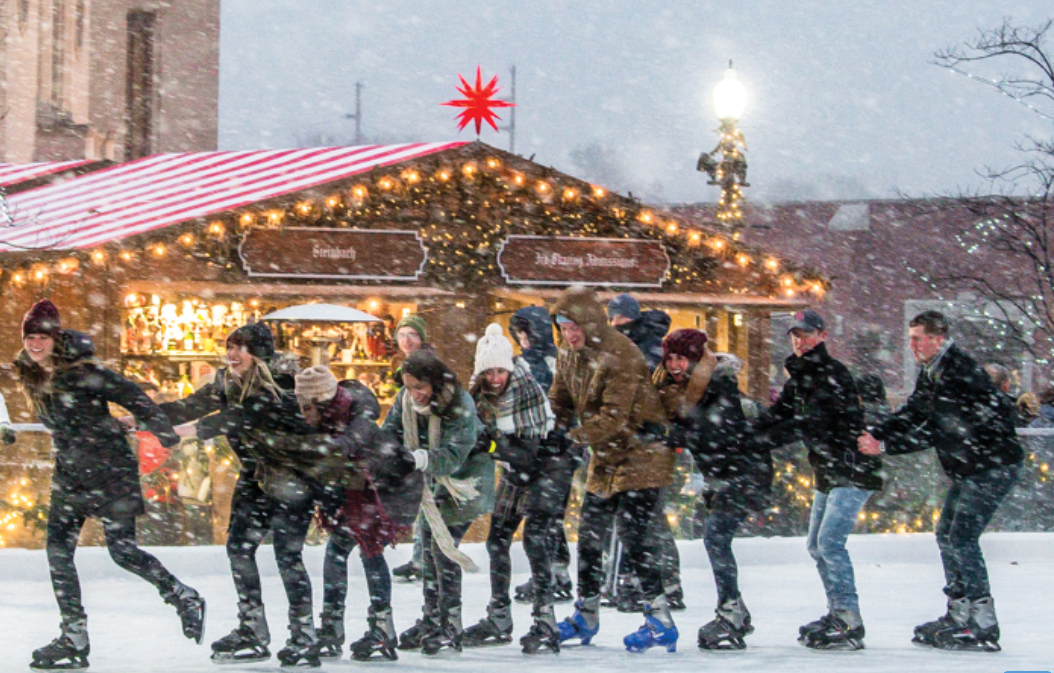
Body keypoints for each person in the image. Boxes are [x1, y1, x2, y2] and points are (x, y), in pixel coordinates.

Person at [14, 299, 204, 671]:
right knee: (57, 554)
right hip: (70, 478)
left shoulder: (82, 372)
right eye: (30, 337)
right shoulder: (31, 373)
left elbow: (132, 394)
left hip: (109, 473)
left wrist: (163, 432)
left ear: (55, 339)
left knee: (123, 551)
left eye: (42, 337)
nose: (35, 344)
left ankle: (183, 596)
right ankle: (74, 636)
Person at [157, 322, 320, 666]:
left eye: (240, 348)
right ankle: (252, 629)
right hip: (255, 477)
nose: (231, 354)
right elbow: (188, 406)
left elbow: (244, 416)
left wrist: (192, 431)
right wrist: (139, 416)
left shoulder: (285, 385)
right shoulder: (226, 383)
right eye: (229, 347)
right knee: (239, 548)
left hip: (294, 479)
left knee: (288, 556)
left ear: (258, 354)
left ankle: (304, 635)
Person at [859, 310, 1024, 652]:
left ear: (938, 339)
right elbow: (915, 411)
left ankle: (982, 621)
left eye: (918, 338)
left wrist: (885, 445)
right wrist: (877, 431)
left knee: (962, 536)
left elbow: (937, 431)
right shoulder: (934, 371)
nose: (912, 345)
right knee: (946, 533)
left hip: (993, 464)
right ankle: (960, 611)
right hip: (973, 465)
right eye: (910, 339)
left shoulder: (957, 372)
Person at [549, 286, 678, 653]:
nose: (568, 335)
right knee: (589, 534)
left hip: (641, 452)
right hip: (605, 454)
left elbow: (616, 417)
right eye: (562, 327)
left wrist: (573, 437)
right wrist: (549, 429)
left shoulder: (621, 353)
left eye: (574, 327)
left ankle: (660, 619)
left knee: (634, 537)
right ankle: (585, 614)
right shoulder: (567, 351)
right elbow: (559, 397)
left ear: (590, 323)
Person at [270, 366, 423, 662]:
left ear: (323, 403)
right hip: (357, 490)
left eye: (307, 407)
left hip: (388, 486)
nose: (303, 413)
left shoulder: (358, 418)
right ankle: (336, 628)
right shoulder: (324, 417)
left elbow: (348, 443)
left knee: (369, 550)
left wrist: (318, 450)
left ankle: (379, 628)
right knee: (338, 551)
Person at [754, 309, 880, 651]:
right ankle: (837, 611)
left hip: (851, 468)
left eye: (806, 333)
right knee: (816, 545)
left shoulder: (829, 372)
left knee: (829, 543)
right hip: (829, 470)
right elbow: (781, 414)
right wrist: (747, 431)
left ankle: (848, 617)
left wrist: (763, 440)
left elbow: (811, 423)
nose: (799, 339)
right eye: (795, 334)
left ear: (822, 335)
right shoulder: (801, 375)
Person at [653, 329, 772, 650]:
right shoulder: (690, 388)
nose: (675, 365)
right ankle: (734, 609)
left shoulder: (717, 385)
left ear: (695, 358)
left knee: (716, 539)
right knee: (716, 539)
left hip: (743, 473)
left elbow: (717, 433)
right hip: (727, 475)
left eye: (682, 358)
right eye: (670, 358)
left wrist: (677, 435)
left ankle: (731, 610)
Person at [462, 324, 572, 654]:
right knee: (497, 540)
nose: (496, 378)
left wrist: (494, 445)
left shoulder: (527, 392)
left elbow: (529, 453)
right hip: (515, 471)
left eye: (500, 371)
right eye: (489, 372)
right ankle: (498, 618)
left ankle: (545, 620)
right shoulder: (477, 395)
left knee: (536, 541)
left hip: (549, 469)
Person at [387, 349, 494, 655]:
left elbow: (452, 457)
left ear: (434, 382)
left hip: (465, 482)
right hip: (430, 483)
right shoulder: (404, 401)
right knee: (427, 541)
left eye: (420, 387)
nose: (414, 394)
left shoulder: (460, 403)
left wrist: (418, 457)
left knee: (441, 547)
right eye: (408, 387)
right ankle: (432, 618)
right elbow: (389, 435)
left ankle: (450, 622)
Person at [606, 293, 683, 612]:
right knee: (646, 516)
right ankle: (664, 581)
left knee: (636, 516)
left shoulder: (642, 352)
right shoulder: (640, 348)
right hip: (643, 444)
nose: (616, 325)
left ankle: (640, 579)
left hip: (644, 446)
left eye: (620, 320)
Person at [508, 306, 575, 605]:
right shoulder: (544, 361)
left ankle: (550, 574)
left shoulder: (550, 363)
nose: (522, 339)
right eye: (519, 334)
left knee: (544, 515)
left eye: (526, 333)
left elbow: (556, 403)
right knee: (549, 515)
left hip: (552, 449)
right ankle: (555, 572)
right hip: (546, 449)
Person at [389, 313, 433, 583]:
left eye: (412, 335)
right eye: (402, 335)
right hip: (414, 447)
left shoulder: (427, 366)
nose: (406, 340)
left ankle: (425, 559)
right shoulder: (404, 366)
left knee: (428, 505)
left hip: (427, 449)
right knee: (423, 505)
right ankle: (421, 558)